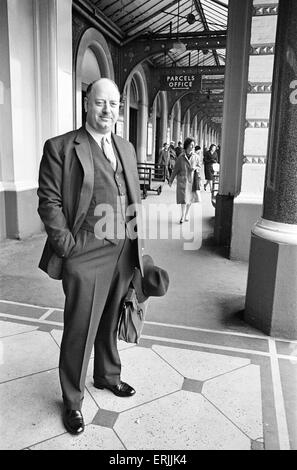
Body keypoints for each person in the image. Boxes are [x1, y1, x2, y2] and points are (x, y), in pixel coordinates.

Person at [37, 78, 144, 435]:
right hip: (84, 250)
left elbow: (132, 197)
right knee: (80, 327)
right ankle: (72, 401)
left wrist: (140, 247)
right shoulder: (61, 147)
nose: (107, 111)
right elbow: (49, 201)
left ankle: (107, 376)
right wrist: (68, 248)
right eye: (100, 103)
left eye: (113, 105)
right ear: (87, 103)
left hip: (123, 249)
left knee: (110, 318)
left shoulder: (126, 147)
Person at [169, 137, 201, 223]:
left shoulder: (196, 157)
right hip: (182, 181)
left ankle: (186, 214)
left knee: (189, 199)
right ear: (187, 145)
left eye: (194, 145)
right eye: (191, 145)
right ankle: (182, 216)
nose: (193, 147)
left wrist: (195, 168)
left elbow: (199, 167)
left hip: (192, 181)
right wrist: (171, 180)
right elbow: (175, 169)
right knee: (183, 199)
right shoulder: (181, 157)